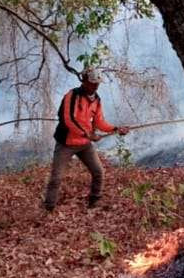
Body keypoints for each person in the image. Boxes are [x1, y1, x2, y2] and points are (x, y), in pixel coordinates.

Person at [43, 67, 129, 211]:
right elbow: (68, 119)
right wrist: (87, 134)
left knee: (99, 172)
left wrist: (116, 129)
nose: (95, 86)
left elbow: (100, 122)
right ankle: (48, 207)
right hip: (66, 143)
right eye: (93, 83)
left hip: (84, 144)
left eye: (97, 83)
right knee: (56, 178)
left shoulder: (96, 100)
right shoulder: (72, 96)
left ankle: (94, 201)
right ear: (84, 81)